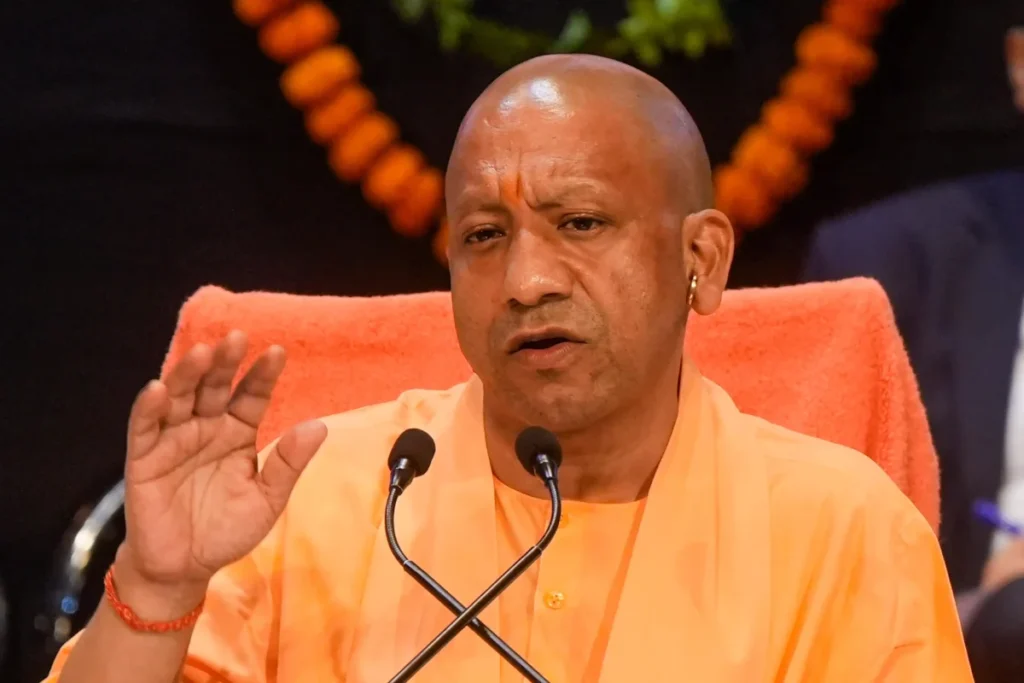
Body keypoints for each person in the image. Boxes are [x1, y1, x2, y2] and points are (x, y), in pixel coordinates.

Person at [46, 54, 972, 682]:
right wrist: (158, 588)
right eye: (485, 237)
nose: (526, 281)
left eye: (580, 223)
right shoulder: (318, 497)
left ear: (703, 259)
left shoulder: (843, 530)